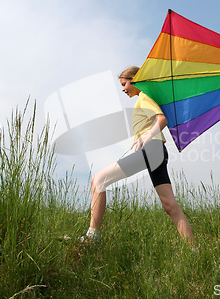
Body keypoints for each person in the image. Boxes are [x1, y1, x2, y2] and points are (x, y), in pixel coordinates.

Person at [80, 66, 194, 244]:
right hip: (157, 151)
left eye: (124, 84)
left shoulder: (144, 96)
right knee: (169, 205)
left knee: (99, 180)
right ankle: (193, 250)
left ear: (135, 78)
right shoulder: (141, 99)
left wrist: (148, 136)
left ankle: (92, 237)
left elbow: (162, 118)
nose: (123, 89)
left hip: (152, 150)